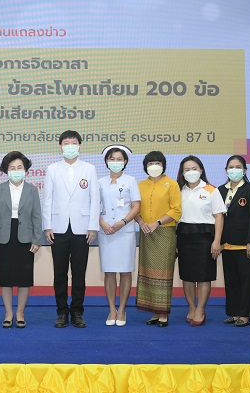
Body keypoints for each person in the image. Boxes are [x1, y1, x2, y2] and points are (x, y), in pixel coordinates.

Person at [43, 130, 100, 328]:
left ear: (79, 146)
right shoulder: (52, 169)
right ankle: (61, 311)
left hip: (82, 229)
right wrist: (47, 226)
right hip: (57, 228)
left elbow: (95, 199)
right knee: (59, 273)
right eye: (66, 143)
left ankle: (77, 311)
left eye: (73, 142)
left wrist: (93, 226)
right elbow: (47, 199)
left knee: (79, 272)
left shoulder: (89, 169)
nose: (69, 146)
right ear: (60, 147)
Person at [0, 151, 43, 328]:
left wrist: (37, 239)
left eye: (19, 167)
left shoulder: (32, 190)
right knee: (6, 277)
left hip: (25, 237)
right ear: (6, 170)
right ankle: (8, 313)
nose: (16, 170)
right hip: (5, 236)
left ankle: (20, 313)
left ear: (25, 169)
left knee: (24, 277)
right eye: (12, 168)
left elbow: (37, 216)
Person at [175, 155, 225, 327]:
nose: (191, 172)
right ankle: (191, 307)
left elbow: (219, 216)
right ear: (182, 172)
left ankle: (200, 309)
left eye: (194, 168)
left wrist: (217, 241)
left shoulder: (211, 190)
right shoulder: (178, 190)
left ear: (201, 170)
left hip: (206, 237)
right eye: (187, 169)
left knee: (204, 276)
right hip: (184, 236)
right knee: (187, 276)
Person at [135, 151, 181, 327]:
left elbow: (176, 210)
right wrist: (141, 222)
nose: (154, 166)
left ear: (163, 165)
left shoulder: (172, 184)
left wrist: (158, 222)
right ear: (145, 166)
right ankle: (154, 311)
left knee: (163, 272)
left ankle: (163, 313)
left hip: (165, 232)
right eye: (150, 163)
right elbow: (135, 209)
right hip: (146, 232)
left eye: (158, 163)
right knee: (148, 272)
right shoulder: (140, 185)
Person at [218, 155, 250, 327]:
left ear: (244, 170)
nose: (234, 170)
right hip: (227, 245)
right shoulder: (220, 190)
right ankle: (234, 312)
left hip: (246, 245)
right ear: (226, 170)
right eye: (231, 167)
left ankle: (245, 315)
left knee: (247, 280)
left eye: (238, 167)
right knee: (232, 280)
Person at [97, 145, 140, 327]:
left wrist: (122, 222)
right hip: (106, 231)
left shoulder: (131, 180)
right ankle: (112, 309)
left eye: (119, 159)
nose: (115, 162)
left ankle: (122, 309)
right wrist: (102, 223)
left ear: (125, 162)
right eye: (112, 159)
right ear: (106, 161)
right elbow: (93, 206)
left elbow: (136, 206)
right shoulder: (100, 182)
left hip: (125, 231)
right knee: (109, 271)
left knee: (125, 271)